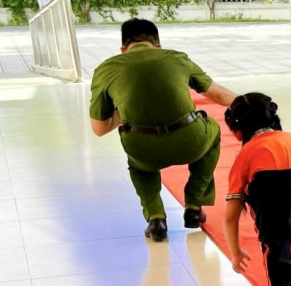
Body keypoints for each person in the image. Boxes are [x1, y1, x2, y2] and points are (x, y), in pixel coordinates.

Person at [88, 18, 237, 240]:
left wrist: (124, 110)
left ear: (123, 49)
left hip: (143, 149)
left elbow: (99, 128)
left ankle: (156, 218)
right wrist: (255, 102)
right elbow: (220, 95)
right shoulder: (177, 58)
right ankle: (194, 206)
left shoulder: (105, 69)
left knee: (139, 167)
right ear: (158, 45)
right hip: (190, 141)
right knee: (212, 130)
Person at [223, 93, 291, 286]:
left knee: (276, 251)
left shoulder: (246, 153)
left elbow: (231, 214)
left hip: (271, 213)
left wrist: (235, 252)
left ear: (238, 131)